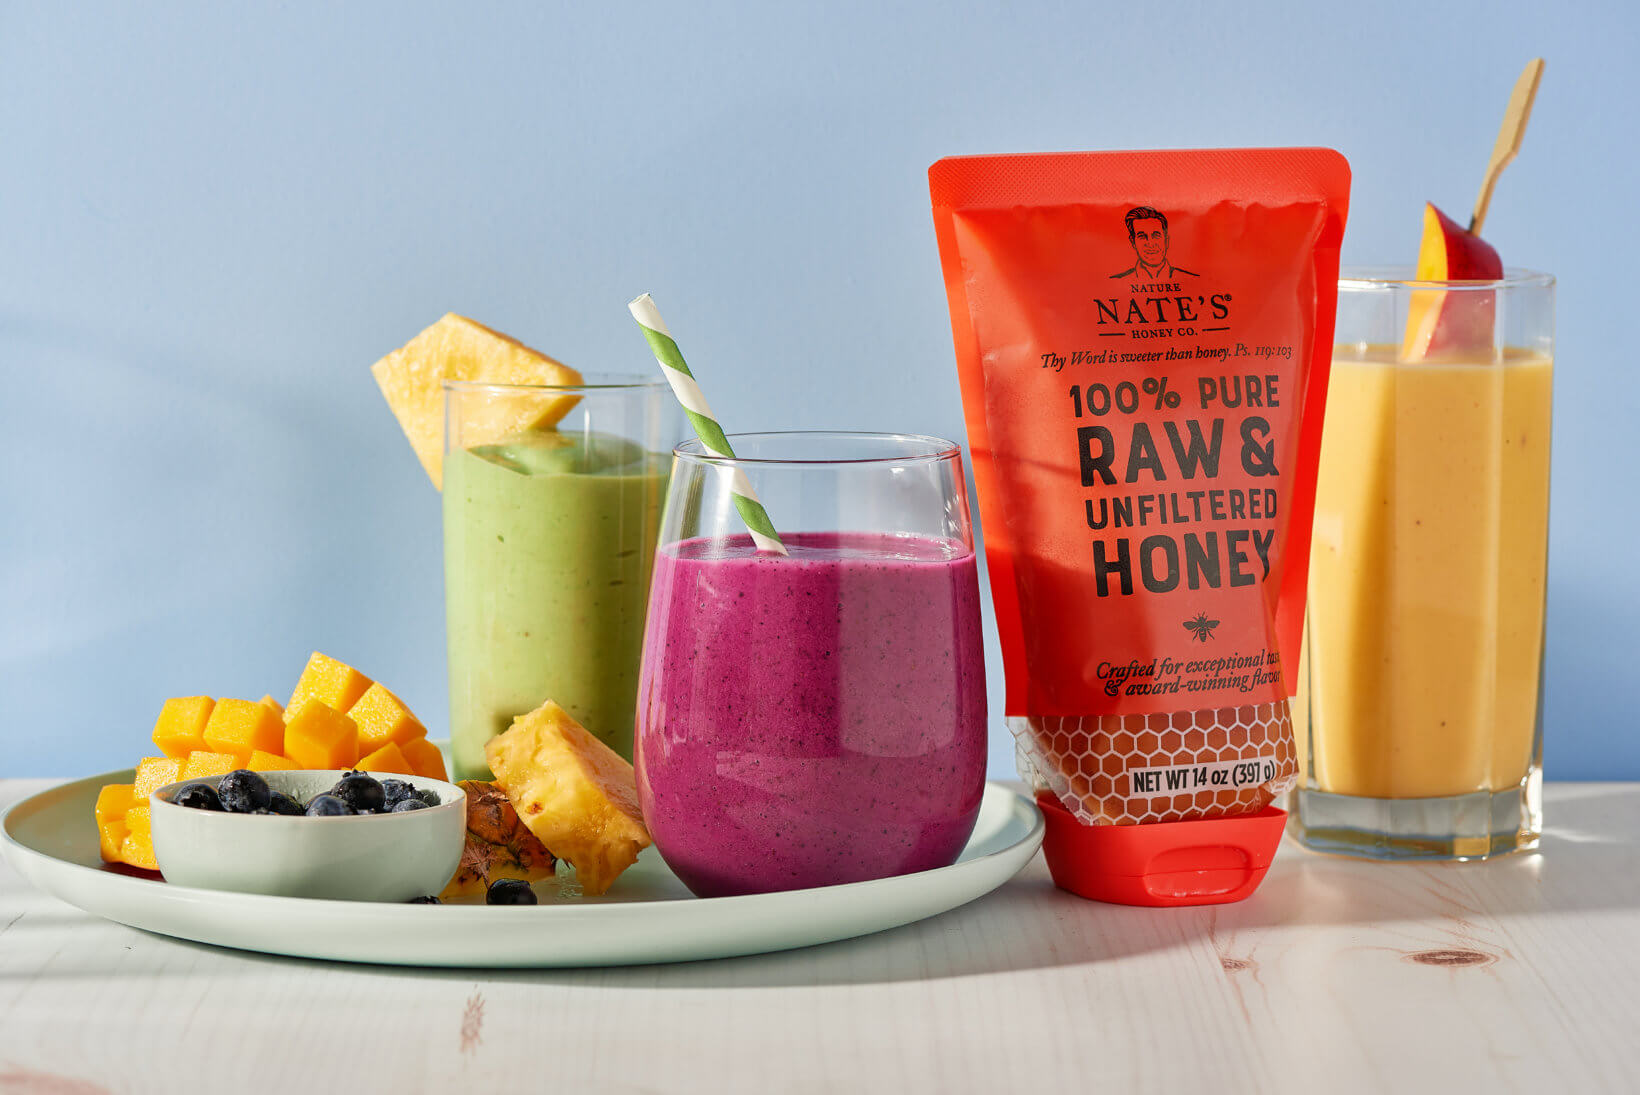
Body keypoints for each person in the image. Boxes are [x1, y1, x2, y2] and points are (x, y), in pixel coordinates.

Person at [1111, 206, 1196, 280]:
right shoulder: (1117, 282)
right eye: (1142, 237)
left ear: (1166, 240)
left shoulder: (1193, 279)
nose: (1150, 243)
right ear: (1133, 242)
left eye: (1156, 236)